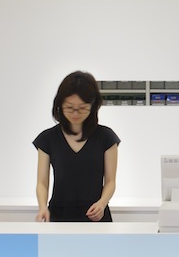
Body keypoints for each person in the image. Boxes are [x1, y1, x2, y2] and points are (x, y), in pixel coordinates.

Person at [33, 71, 120, 222]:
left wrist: (102, 203)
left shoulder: (106, 137)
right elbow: (42, 183)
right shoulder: (47, 139)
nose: (75, 113)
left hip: (96, 215)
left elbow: (110, 181)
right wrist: (42, 207)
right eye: (69, 107)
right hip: (59, 215)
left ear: (93, 106)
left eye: (82, 108)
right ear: (59, 105)